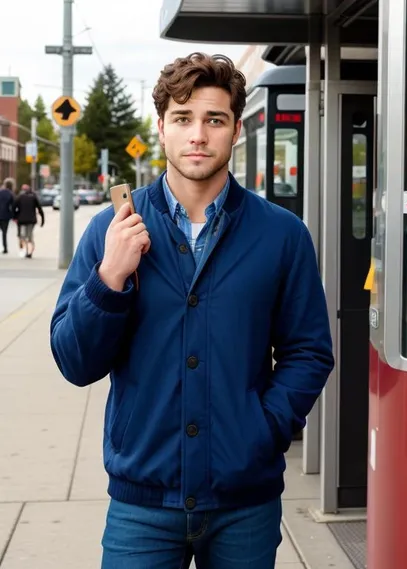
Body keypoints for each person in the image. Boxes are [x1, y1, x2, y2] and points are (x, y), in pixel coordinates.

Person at [50, 53, 334, 569]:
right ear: (161, 129)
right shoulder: (110, 231)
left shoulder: (282, 235)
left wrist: (263, 430)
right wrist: (109, 279)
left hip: (244, 503)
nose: (198, 135)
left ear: (235, 130)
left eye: (214, 120)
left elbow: (309, 351)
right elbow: (74, 362)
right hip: (142, 503)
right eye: (183, 119)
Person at [13, 184, 44, 258]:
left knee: (22, 236)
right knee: (29, 236)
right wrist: (42, 220)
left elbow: (13, 207)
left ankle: (24, 250)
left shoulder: (20, 197)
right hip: (31, 220)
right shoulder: (33, 197)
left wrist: (15, 216)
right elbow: (40, 209)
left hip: (21, 220)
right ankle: (29, 252)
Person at [0, 178, 14, 254]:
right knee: (4, 233)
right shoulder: (10, 194)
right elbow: (13, 206)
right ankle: (5, 248)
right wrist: (13, 215)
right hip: (6, 216)